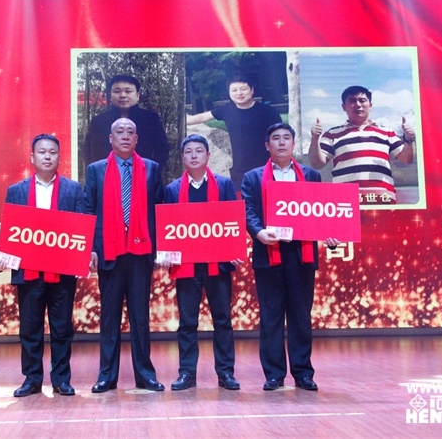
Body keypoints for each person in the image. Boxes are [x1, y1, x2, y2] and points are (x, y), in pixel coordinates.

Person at [241, 123, 339, 392]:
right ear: (267, 145)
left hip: (301, 253)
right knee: (271, 316)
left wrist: (331, 234)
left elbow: (321, 212)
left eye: (287, 138)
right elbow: (248, 210)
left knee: (300, 315)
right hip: (268, 252)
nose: (282, 142)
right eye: (276, 138)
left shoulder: (310, 175)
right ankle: (274, 374)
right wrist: (259, 232)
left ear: (294, 144)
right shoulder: (252, 177)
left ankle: (303, 373)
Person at [0, 134, 86, 398]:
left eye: (52, 152)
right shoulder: (17, 190)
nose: (47, 156)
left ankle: (61, 380)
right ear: (32, 157)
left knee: (62, 329)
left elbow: (80, 228)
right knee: (30, 329)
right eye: (42, 152)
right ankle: (32, 379)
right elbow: (10, 230)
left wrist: (84, 256)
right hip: (28, 272)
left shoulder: (72, 190)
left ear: (59, 157)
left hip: (62, 272)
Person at [84, 118, 166, 393]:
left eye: (131, 132)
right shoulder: (95, 170)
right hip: (109, 251)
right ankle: (107, 376)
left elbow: (159, 211)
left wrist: (161, 247)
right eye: (119, 132)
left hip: (141, 252)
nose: (125, 136)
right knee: (109, 317)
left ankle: (145, 375)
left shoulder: (151, 168)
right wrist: (90, 247)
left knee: (140, 317)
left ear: (137, 139)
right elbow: (88, 210)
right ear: (111, 138)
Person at [164, 134, 243, 391]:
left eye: (199, 150)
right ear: (182, 157)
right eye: (188, 151)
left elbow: (233, 221)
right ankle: (187, 373)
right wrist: (166, 253)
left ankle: (226, 373)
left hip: (218, 264)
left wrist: (234, 249)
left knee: (222, 320)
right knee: (187, 323)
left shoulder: (224, 185)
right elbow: (168, 227)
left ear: (208, 155)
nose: (194, 155)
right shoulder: (172, 190)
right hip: (186, 266)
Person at [308, 85, 415, 205]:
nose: (358, 105)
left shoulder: (387, 132)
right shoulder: (332, 134)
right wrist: (315, 138)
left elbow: (406, 159)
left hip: (382, 199)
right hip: (345, 201)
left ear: (370, 105)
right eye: (352, 101)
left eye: (362, 100)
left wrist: (409, 139)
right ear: (344, 107)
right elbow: (317, 163)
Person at [187, 74, 282, 190]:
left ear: (252, 90)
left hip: (267, 167)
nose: (239, 93)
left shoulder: (268, 112)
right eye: (234, 90)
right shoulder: (227, 110)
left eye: (243, 89)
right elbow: (203, 117)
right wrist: (179, 121)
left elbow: (281, 137)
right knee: (242, 199)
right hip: (240, 170)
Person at [83, 74, 170, 170]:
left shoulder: (150, 119)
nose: (123, 95)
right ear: (110, 95)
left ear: (137, 95)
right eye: (117, 91)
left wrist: (152, 172)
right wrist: (98, 172)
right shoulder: (99, 121)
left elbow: (163, 149)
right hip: (106, 174)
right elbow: (88, 151)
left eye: (128, 91)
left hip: (142, 174)